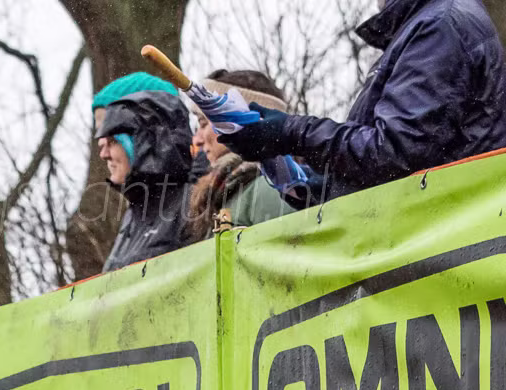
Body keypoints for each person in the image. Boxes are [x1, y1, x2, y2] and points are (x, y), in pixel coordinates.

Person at [215, 0, 506, 205]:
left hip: (438, 250)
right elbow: (390, 162)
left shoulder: (440, 26)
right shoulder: (426, 26)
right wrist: (315, 187)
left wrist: (291, 132)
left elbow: (394, 152)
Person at [94, 73, 199, 272]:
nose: (103, 153)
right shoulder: (135, 212)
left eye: (112, 138)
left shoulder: (194, 200)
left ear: (147, 134)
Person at [186, 71, 296, 237]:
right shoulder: (226, 193)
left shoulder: (269, 191)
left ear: (238, 123)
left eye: (203, 123)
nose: (197, 139)